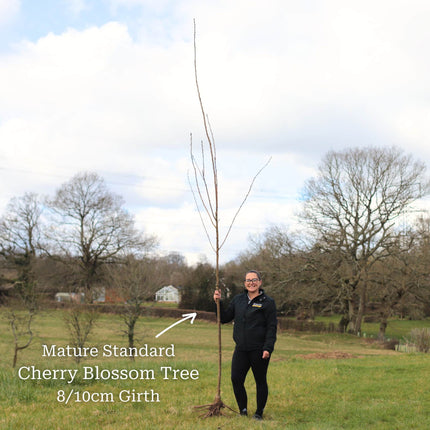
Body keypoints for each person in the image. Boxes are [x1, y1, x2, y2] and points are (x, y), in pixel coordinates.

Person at [213, 270, 277, 420]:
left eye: (254, 280)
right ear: (244, 283)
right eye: (248, 280)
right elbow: (224, 318)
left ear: (260, 282)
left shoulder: (267, 302)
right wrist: (218, 302)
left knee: (260, 380)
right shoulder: (238, 300)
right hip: (241, 349)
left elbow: (271, 327)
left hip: (259, 349)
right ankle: (243, 410)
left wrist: (268, 348)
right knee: (236, 379)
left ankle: (259, 413)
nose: (251, 282)